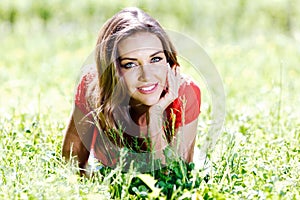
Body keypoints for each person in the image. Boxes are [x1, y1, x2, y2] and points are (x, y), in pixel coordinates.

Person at [62, 7, 201, 174]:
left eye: (155, 59)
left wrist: (155, 115)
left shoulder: (185, 93)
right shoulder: (93, 86)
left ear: (168, 61)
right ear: (113, 71)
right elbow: (71, 164)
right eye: (130, 64)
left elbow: (173, 177)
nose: (146, 76)